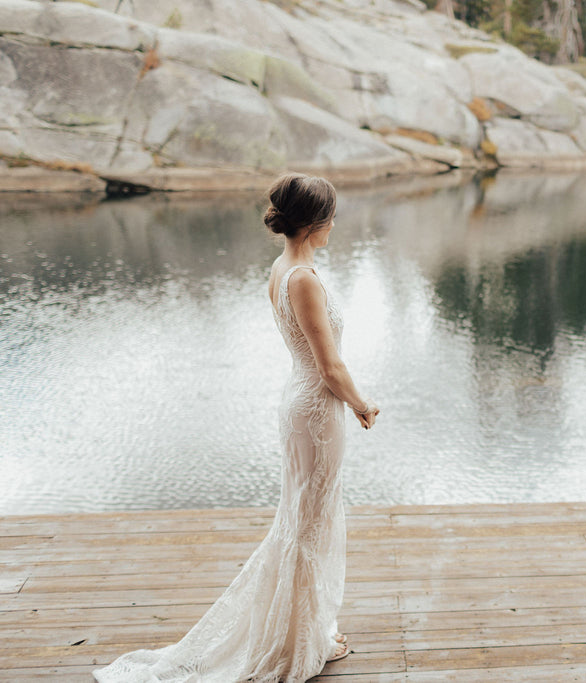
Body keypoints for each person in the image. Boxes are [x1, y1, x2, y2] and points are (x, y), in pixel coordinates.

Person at [94, 173, 380, 682]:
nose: (335, 222)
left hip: (301, 403)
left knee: (303, 521)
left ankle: (305, 627)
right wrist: (363, 404)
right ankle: (295, 642)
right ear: (314, 222)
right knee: (308, 526)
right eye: (331, 215)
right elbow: (330, 367)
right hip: (316, 409)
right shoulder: (305, 279)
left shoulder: (282, 267)